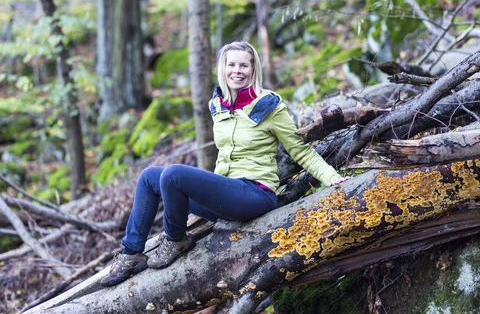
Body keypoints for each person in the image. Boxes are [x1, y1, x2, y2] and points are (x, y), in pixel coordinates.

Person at [100, 41, 349, 287]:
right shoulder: (218, 105)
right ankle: (131, 254)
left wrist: (332, 177)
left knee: (173, 174)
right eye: (231, 64)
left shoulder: (269, 105)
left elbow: (300, 151)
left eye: (244, 65)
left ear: (253, 70)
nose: (237, 71)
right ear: (223, 68)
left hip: (254, 194)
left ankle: (175, 240)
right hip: (225, 195)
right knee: (150, 176)